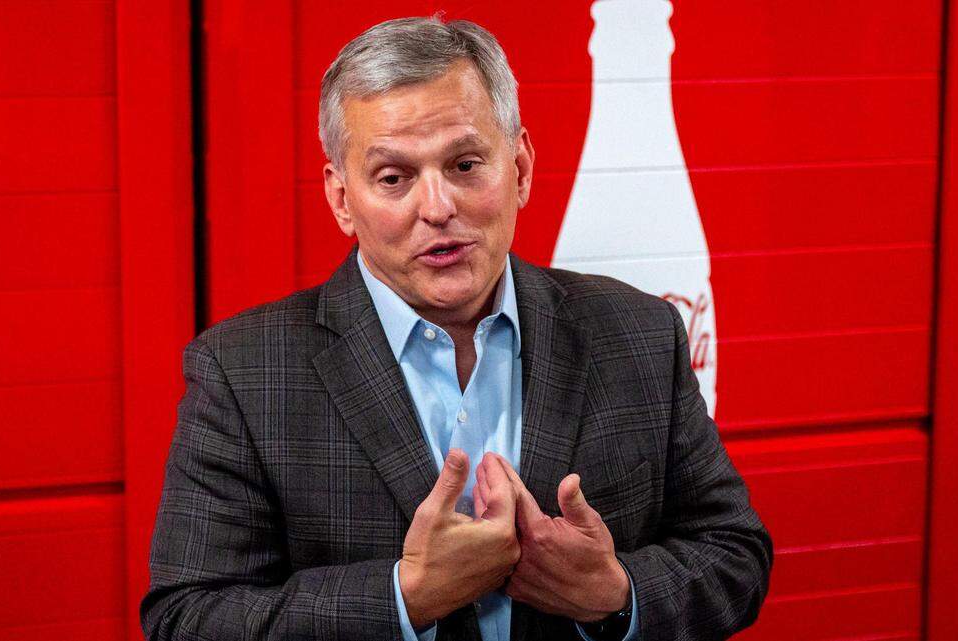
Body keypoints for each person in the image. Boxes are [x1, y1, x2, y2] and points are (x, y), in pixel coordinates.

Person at [141, 15, 771, 641]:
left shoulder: (640, 333)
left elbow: (734, 554)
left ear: (520, 168)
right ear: (341, 199)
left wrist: (615, 595)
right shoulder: (243, 371)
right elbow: (188, 618)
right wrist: (404, 598)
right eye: (394, 178)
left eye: (466, 165)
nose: (437, 208)